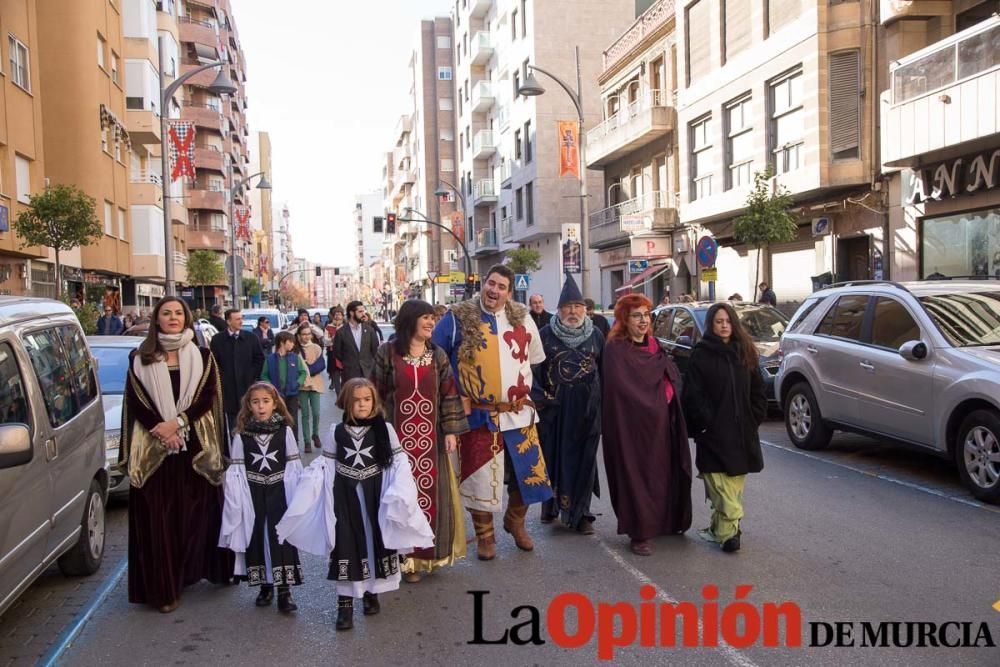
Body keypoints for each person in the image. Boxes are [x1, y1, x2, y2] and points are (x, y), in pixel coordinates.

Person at [277, 379, 433, 632]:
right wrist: (309, 492)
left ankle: (371, 593)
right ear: (347, 402)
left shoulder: (385, 430)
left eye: (367, 399)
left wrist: (399, 492)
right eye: (357, 400)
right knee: (346, 547)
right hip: (345, 500)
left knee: (373, 544)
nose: (362, 404)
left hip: (375, 499)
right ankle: (345, 606)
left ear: (374, 401)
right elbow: (325, 467)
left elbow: (398, 462)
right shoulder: (336, 431)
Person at [118, 296, 232, 613]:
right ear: (156, 320)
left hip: (194, 447)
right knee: (158, 521)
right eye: (166, 313)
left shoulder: (202, 355)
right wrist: (161, 428)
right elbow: (137, 401)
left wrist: (178, 423)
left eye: (178, 313)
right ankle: (163, 589)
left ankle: (200, 570)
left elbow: (206, 396)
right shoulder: (139, 357)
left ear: (186, 319)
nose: (172, 317)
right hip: (154, 447)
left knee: (197, 515)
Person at [432, 264, 552, 561]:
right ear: (483, 283)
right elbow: (435, 358)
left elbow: (534, 358)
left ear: (509, 293)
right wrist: (454, 396)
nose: (494, 290)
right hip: (478, 414)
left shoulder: (523, 317)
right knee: (480, 478)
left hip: (518, 411)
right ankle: (486, 537)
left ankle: (515, 521)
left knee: (530, 475)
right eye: (491, 283)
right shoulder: (457, 317)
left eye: (501, 287)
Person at [372, 300, 469, 583]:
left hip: (431, 441)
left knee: (430, 495)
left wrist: (450, 431)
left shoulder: (437, 355)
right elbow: (375, 392)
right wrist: (373, 432)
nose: (431, 323)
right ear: (410, 320)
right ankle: (400, 558)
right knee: (399, 497)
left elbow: (449, 393)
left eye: (433, 319)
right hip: (396, 442)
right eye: (425, 318)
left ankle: (423, 558)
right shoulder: (387, 352)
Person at [601, 294, 692, 556]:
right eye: (636, 315)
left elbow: (668, 376)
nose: (643, 321)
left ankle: (663, 521)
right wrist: (650, 401)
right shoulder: (616, 350)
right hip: (629, 428)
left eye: (646, 315)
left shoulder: (654, 345)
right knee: (635, 476)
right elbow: (620, 389)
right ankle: (639, 532)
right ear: (624, 320)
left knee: (659, 473)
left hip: (658, 425)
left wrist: (664, 397)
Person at [682, 303, 766, 553]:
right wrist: (705, 423)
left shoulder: (745, 351)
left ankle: (723, 528)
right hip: (713, 434)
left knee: (734, 486)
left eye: (728, 321)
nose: (724, 325)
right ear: (711, 324)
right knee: (718, 486)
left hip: (741, 433)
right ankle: (731, 533)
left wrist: (754, 417)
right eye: (719, 321)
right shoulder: (701, 353)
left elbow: (758, 389)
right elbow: (692, 395)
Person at [219, 382, 303, 612]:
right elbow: (236, 471)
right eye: (255, 402)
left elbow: (294, 467)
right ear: (249, 406)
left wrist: (295, 499)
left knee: (281, 538)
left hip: (279, 492)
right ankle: (265, 586)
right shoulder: (241, 436)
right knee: (257, 537)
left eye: (266, 401)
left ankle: (284, 591)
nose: (261, 406)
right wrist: (238, 500)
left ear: (275, 403)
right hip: (253, 493)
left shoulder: (284, 432)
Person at [533, 275, 604, 535]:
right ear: (559, 309)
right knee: (553, 458)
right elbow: (534, 371)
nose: (573, 312)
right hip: (555, 411)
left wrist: (603, 406)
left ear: (585, 310)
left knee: (585, 460)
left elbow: (604, 371)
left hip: (587, 410)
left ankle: (582, 513)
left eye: (577, 307)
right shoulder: (545, 335)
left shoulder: (596, 335)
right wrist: (541, 400)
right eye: (568, 307)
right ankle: (550, 506)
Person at [210, 309, 265, 448]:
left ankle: (251, 450)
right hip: (227, 390)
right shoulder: (218, 340)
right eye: (237, 319)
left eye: (241, 318)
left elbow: (259, 359)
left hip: (247, 388)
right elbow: (213, 363)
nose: (241, 322)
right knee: (232, 424)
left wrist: (250, 375)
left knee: (249, 420)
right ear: (228, 321)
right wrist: (222, 378)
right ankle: (234, 454)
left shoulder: (251, 338)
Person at [261, 331, 307, 446]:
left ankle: (294, 444)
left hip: (292, 394)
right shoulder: (270, 359)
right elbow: (264, 375)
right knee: (277, 420)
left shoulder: (295, 358)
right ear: (282, 342)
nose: (293, 344)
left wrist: (297, 383)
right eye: (290, 342)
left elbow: (303, 372)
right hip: (276, 396)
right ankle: (279, 444)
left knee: (293, 420)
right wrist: (270, 387)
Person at [295, 323, 327, 453]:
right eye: (303, 334)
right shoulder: (295, 350)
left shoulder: (316, 348)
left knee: (316, 413)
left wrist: (309, 368)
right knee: (304, 415)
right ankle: (307, 441)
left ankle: (315, 434)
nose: (306, 336)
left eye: (308, 334)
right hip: (302, 386)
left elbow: (321, 365)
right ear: (298, 336)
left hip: (315, 384)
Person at [333, 301, 379, 382]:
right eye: (360, 312)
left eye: (363, 311)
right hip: (350, 375)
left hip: (367, 374)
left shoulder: (369, 330)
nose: (363, 314)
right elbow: (337, 353)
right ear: (351, 313)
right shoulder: (341, 332)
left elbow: (375, 350)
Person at [326, 308, 345, 392]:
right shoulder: (329, 327)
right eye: (336, 314)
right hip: (333, 353)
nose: (338, 316)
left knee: (345, 375)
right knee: (335, 374)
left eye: (339, 314)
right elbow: (326, 341)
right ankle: (338, 394)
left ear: (342, 316)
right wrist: (334, 338)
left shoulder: (346, 327)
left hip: (345, 353)